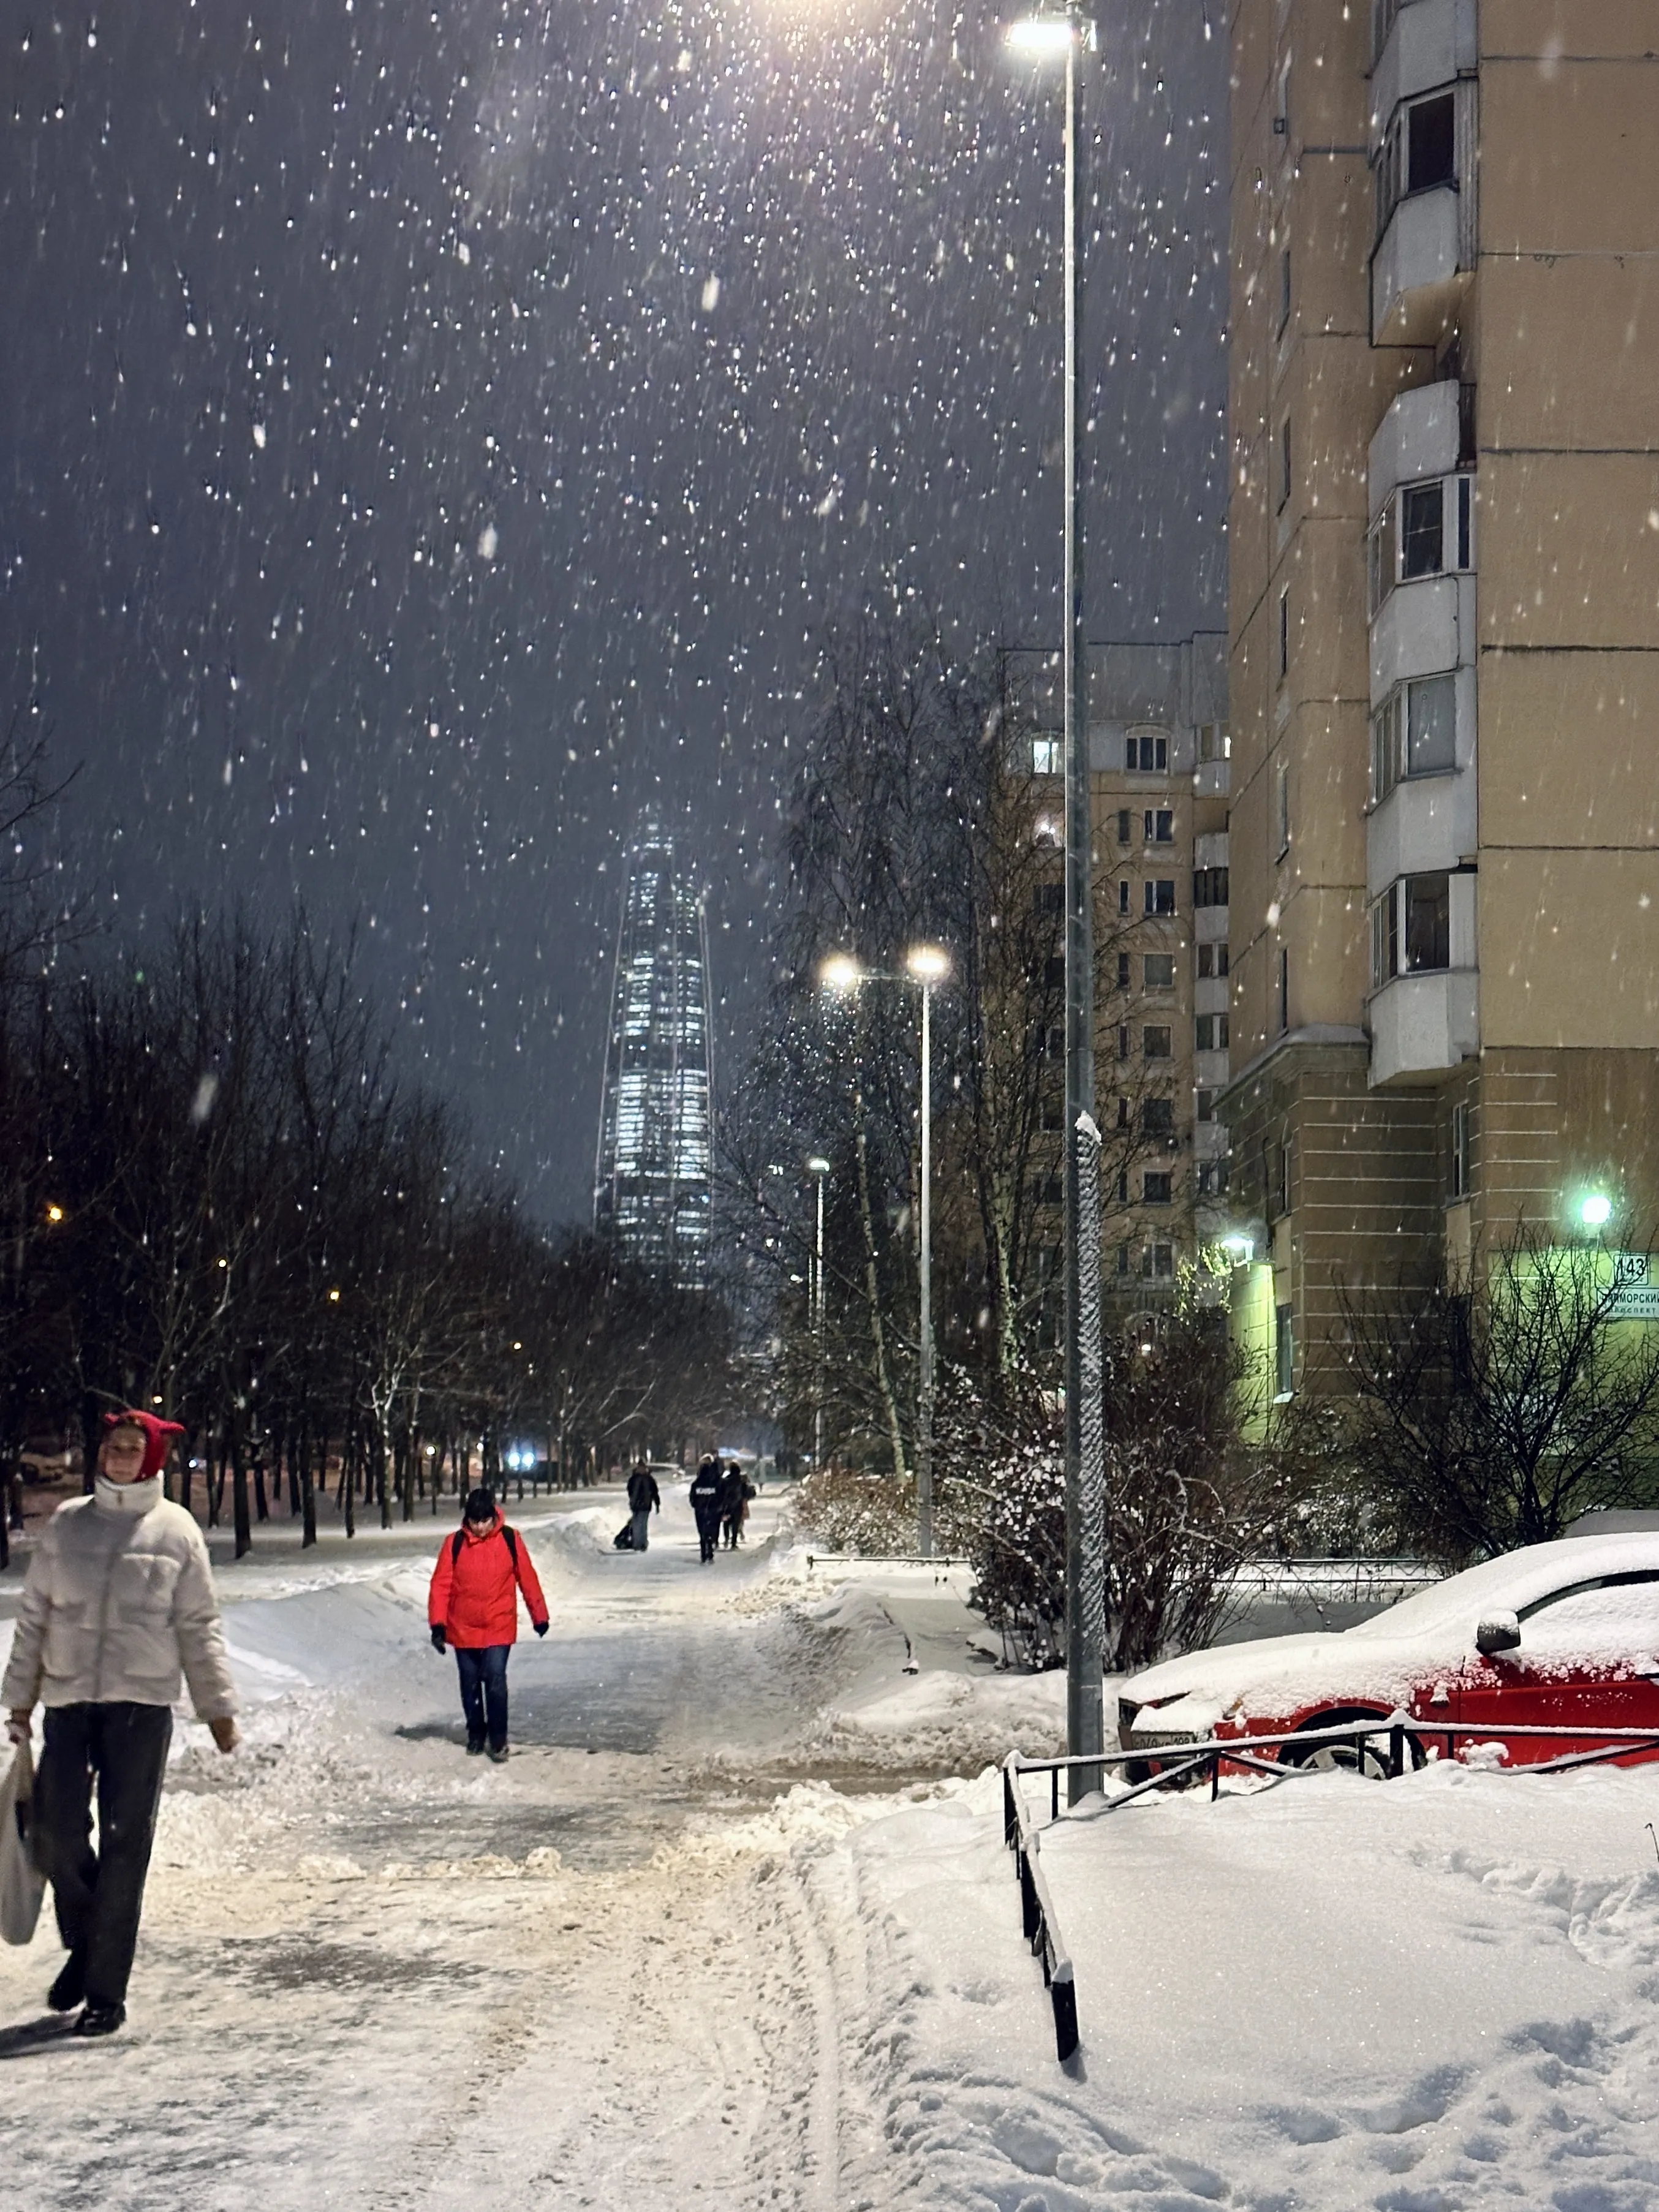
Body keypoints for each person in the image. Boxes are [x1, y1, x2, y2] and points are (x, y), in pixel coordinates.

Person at [3, 1409, 240, 2039]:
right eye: (114, 1446)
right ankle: (87, 1944)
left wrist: (217, 1708)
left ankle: (106, 1991)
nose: (120, 1457)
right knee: (54, 1833)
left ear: (152, 1459)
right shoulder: (68, 1523)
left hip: (141, 1708)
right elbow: (34, 1616)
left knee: (125, 1843)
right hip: (70, 1702)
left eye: (134, 1448)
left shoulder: (176, 1530)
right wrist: (20, 1700)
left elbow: (199, 1625)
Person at [428, 1487, 548, 1761]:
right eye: (475, 1521)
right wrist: (438, 1625)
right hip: (463, 1627)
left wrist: (539, 1615)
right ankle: (475, 1733)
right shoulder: (454, 1543)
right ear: (467, 1519)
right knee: (470, 1683)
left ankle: (498, 1738)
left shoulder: (510, 1539)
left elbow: (527, 1578)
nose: (480, 1528)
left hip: (498, 1625)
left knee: (495, 1680)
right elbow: (441, 1586)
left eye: (485, 1521)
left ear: (494, 1517)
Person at [689, 1455, 724, 1564]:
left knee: (702, 1532)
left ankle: (704, 1554)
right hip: (712, 1511)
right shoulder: (714, 1484)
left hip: (700, 1511)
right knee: (710, 1532)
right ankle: (710, 1552)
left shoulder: (696, 1484)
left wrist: (697, 1506)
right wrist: (717, 1507)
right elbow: (720, 1496)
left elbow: (692, 1498)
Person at [625, 1462, 660, 1553]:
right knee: (638, 1525)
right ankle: (639, 1543)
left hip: (644, 1505)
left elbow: (655, 1492)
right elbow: (629, 1490)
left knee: (641, 1524)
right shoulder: (638, 1479)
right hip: (637, 1505)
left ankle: (641, 1543)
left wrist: (657, 1503)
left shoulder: (646, 1479)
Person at [719, 1460, 750, 1550]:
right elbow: (746, 1493)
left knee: (726, 1523)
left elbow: (721, 1492)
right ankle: (734, 1543)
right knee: (736, 1524)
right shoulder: (741, 1480)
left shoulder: (726, 1480)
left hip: (727, 1505)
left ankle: (726, 1540)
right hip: (738, 1505)